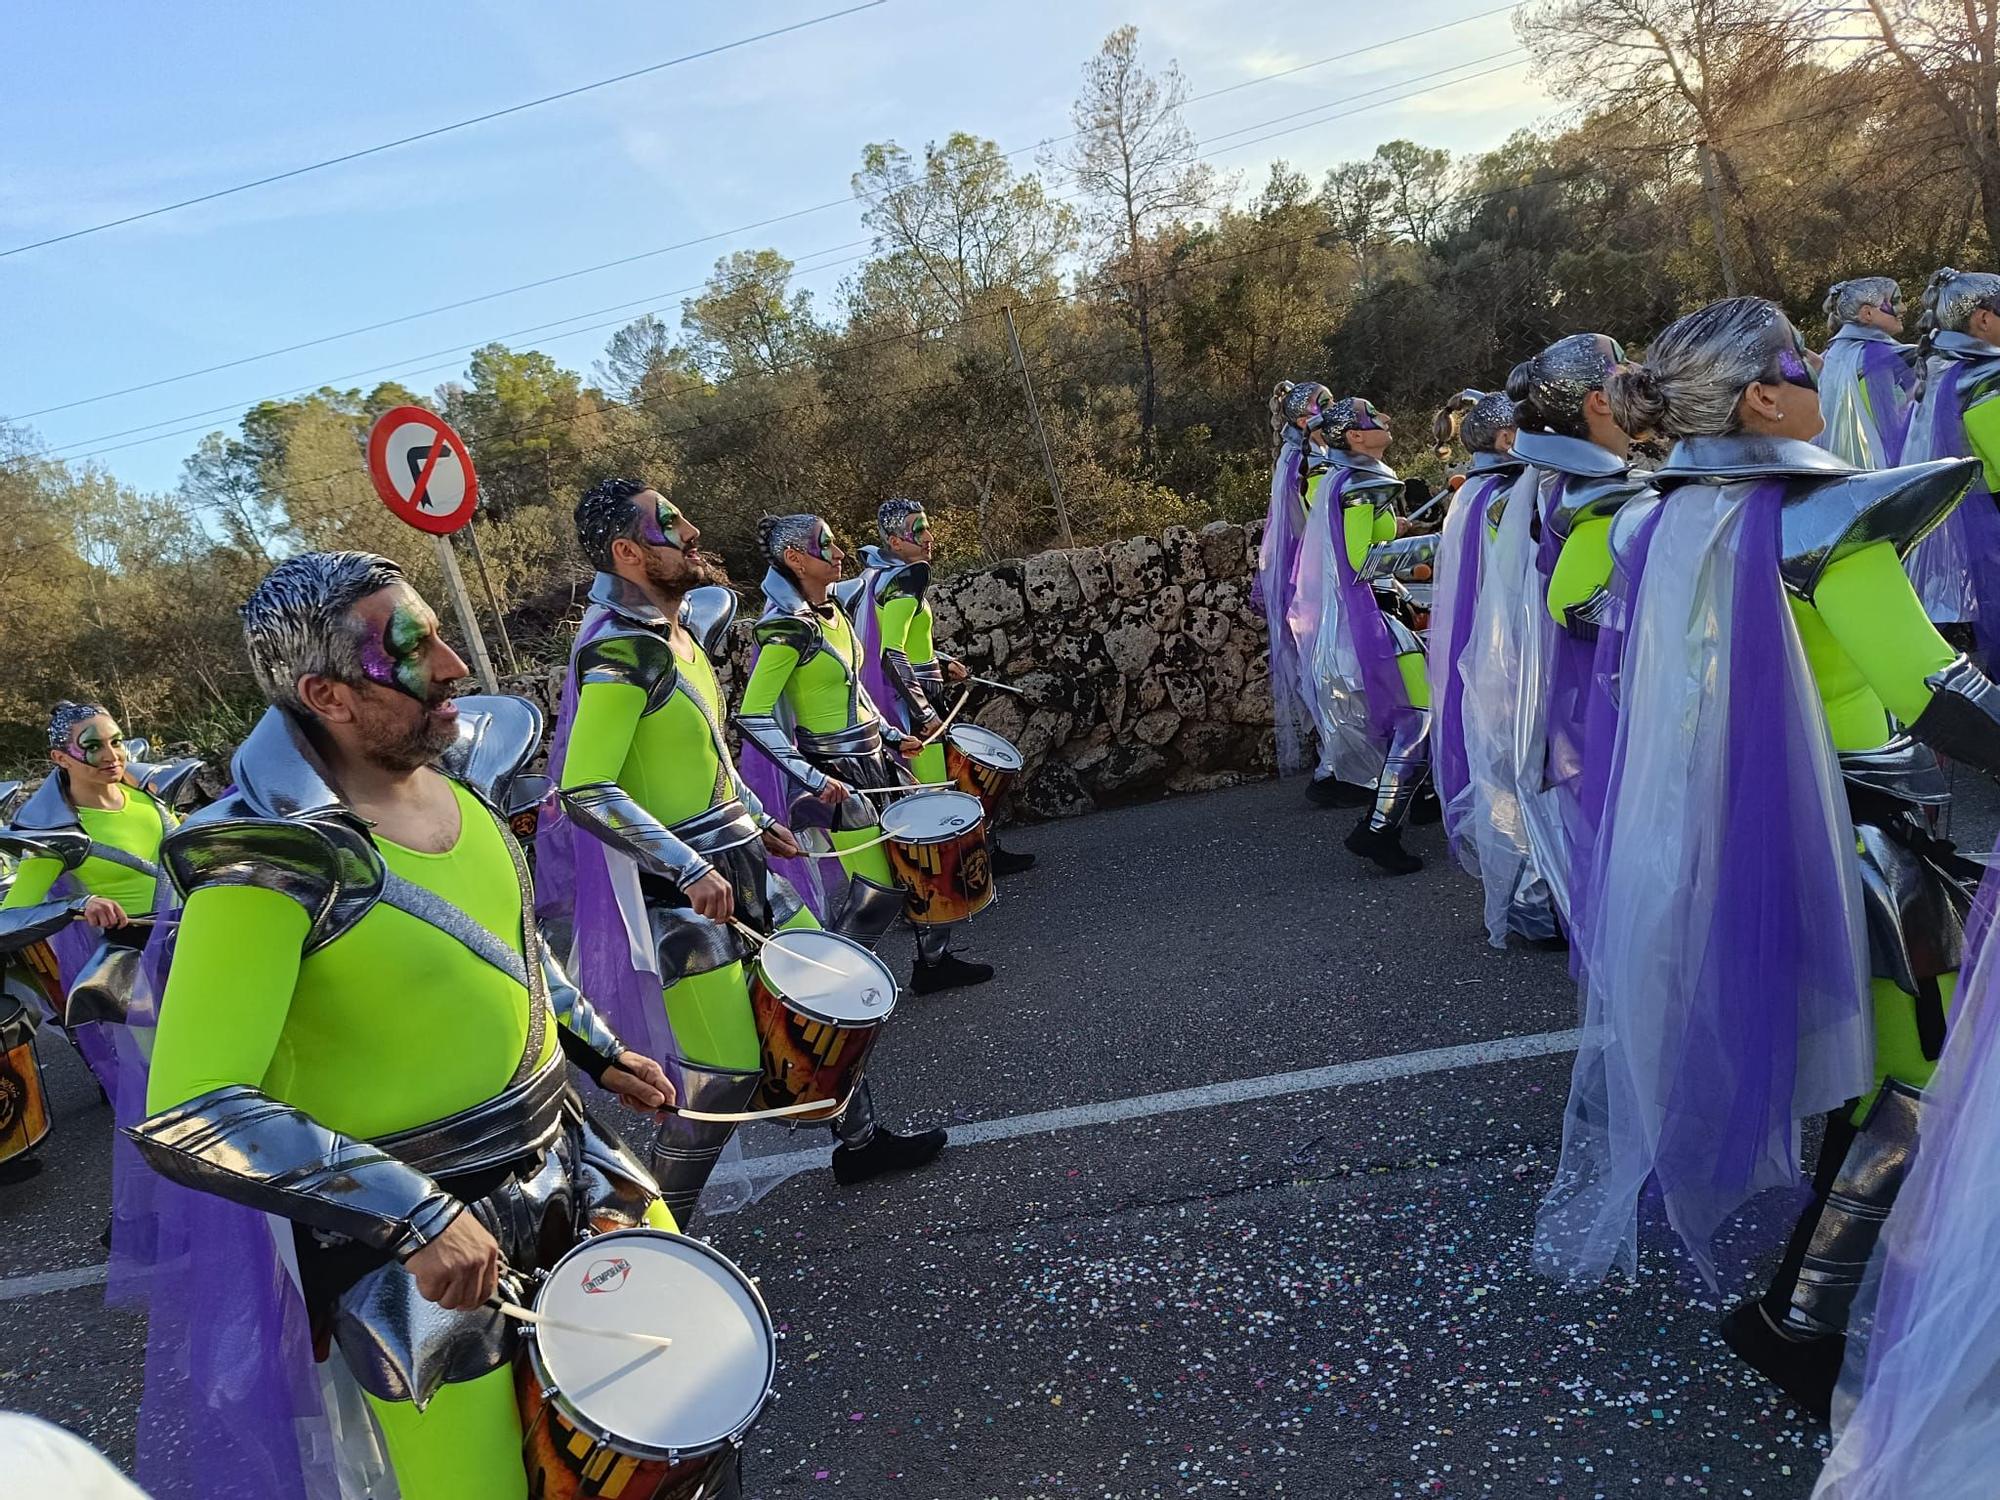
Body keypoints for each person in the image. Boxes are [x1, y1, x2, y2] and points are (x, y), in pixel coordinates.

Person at [1531, 296, 2000, 1425]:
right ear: (1758, 395)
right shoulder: (1818, 518)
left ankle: (1836, 1297)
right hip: (1875, 847)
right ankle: (1799, 1316)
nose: (1807, 380)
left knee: (1888, 1079)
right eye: (1794, 364)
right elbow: (1932, 693)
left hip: (1754, 846)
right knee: (1913, 1084)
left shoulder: (1656, 523)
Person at [126, 551, 683, 1500]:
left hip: (575, 1166)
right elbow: (194, 1107)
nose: (457, 665)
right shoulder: (265, 860)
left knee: (668, 1428)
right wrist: (415, 1215)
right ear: (326, 694)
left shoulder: (453, 779)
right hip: (422, 1271)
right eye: (415, 648)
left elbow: (508, 947)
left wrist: (594, 1044)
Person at [543, 478, 947, 1217]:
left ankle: (859, 1143)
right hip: (681, 893)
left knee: (828, 996)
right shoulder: (618, 652)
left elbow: (708, 756)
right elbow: (584, 788)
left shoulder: (674, 635)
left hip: (741, 858)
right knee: (722, 1079)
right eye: (672, 526)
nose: (693, 531)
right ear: (628, 553)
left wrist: (759, 817)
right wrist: (689, 865)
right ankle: (655, 1240)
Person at [736, 513, 995, 993]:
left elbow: (856, 691)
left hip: (876, 761)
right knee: (876, 896)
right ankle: (836, 993)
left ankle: (933, 966)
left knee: (926, 864)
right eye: (826, 546)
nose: (839, 554)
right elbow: (751, 716)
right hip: (836, 775)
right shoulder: (787, 629)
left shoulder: (833, 613)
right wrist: (812, 780)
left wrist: (894, 737)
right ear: (794, 559)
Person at [1506, 334, 1651, 930]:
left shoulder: (1589, 476)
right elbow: (1569, 599)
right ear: (1597, 401)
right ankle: (1556, 908)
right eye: (1622, 368)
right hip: (1600, 679)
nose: (1636, 372)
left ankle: (1545, 901)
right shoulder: (1596, 490)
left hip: (1591, 677)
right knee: (1606, 791)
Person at [0, 704, 201, 1100]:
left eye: (116, 742)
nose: (111, 756)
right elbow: (9, 920)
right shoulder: (56, 833)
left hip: (195, 943)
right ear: (61, 759)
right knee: (169, 1081)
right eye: (93, 747)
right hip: (137, 969)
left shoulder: (149, 798)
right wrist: (77, 905)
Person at [841, 496, 1034, 874]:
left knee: (951, 784)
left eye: (927, 526)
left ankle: (974, 863)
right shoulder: (904, 582)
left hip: (917, 694)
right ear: (894, 542)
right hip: (913, 706)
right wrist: (926, 714)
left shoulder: (878, 579)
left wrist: (942, 665)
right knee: (940, 789)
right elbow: (891, 654)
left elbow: (909, 646)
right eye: (918, 530)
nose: (929, 535)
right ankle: (951, 879)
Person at [1290, 397, 1432, 873]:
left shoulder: (1345, 478)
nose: (1386, 420)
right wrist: (1437, 544)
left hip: (1377, 613)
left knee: (1419, 718)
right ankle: (1378, 829)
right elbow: (1359, 561)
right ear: (1354, 436)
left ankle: (1405, 812)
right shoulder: (1360, 485)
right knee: (1419, 720)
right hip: (1375, 616)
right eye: (1375, 418)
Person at [1427, 390, 1521, 870]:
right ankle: (1525, 883)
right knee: (1513, 757)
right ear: (1506, 438)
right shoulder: (1510, 497)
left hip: (1482, 636)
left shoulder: (1472, 492)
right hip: (1507, 642)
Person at [1257, 381, 1357, 800]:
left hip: (1309, 575)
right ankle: (1339, 765)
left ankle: (1338, 761)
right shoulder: (1309, 463)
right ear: (1306, 419)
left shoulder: (1298, 457)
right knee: (1330, 669)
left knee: (1323, 669)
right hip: (1317, 578)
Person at [1900, 267, 2000, 657]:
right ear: (1984, 319)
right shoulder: (1987, 378)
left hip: (1948, 538)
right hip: (1987, 528)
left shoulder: (1938, 367)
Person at [1818, 277, 1917, 470]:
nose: (1903, 308)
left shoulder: (1830, 356)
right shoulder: (1876, 358)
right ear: (1868, 313)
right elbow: (1891, 430)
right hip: (1879, 472)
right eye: (1895, 301)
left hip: (1837, 472)